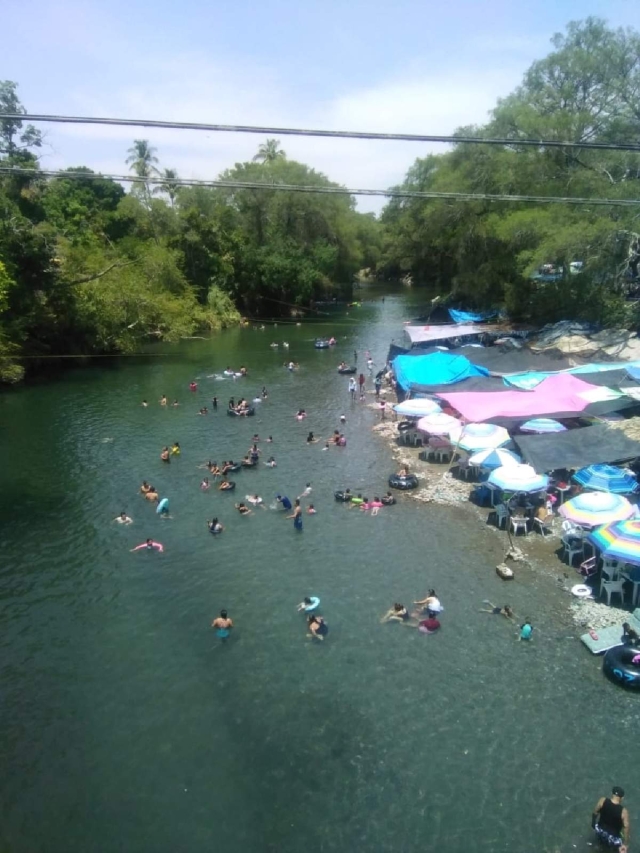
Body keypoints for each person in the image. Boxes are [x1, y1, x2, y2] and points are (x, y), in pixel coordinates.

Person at [592, 786, 629, 852]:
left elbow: (595, 812)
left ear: (612, 794)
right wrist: (625, 843)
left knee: (599, 845)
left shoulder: (602, 800)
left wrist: (593, 823)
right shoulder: (623, 811)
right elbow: (626, 827)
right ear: (622, 798)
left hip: (600, 831)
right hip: (613, 838)